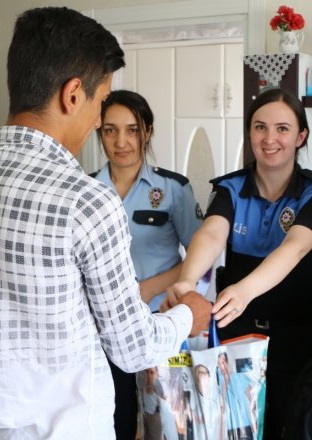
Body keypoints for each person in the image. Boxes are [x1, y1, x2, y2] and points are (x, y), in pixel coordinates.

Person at [0, 7, 212, 439]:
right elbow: (134, 348)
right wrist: (189, 314)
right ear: (73, 94)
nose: (98, 122)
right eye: (99, 104)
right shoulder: (87, 201)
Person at [163, 87, 312, 439]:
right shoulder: (230, 188)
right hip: (239, 331)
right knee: (239, 424)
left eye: (282, 129)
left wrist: (243, 291)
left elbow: (295, 247)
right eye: (260, 127)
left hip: (299, 334)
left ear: (301, 136)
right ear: (250, 133)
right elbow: (211, 235)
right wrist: (187, 281)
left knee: (297, 425)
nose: (270, 138)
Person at [93, 90, 203, 439]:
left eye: (132, 130)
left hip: (162, 324)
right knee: (117, 421)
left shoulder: (172, 189)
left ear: (148, 132)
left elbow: (198, 258)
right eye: (110, 130)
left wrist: (146, 289)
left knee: (168, 424)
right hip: (105, 330)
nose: (121, 141)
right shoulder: (86, 190)